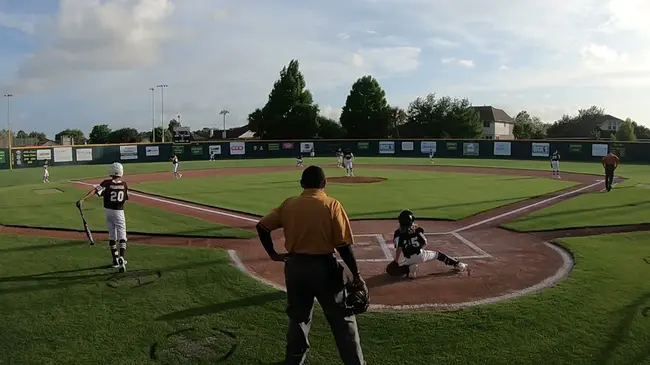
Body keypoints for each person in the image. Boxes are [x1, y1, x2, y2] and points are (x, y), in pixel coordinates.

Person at [256, 165, 367, 365]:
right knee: (343, 319)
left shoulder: (289, 204)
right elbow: (343, 245)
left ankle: (294, 361)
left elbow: (262, 226)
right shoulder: (332, 205)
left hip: (295, 268)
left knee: (298, 319)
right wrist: (356, 274)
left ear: (301, 184)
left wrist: (273, 254)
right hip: (325, 269)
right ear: (324, 184)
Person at [76, 162, 129, 272]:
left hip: (108, 211)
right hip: (119, 211)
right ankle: (122, 257)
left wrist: (83, 199)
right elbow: (125, 198)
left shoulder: (106, 183)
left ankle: (115, 260)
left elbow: (96, 191)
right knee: (122, 234)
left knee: (112, 235)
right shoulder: (124, 184)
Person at [393, 209, 467, 278]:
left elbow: (399, 248)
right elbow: (425, 241)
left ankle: (408, 270)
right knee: (438, 255)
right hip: (421, 255)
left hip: (408, 259)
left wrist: (396, 261)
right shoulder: (417, 229)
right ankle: (458, 264)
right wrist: (420, 249)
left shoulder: (397, 233)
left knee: (393, 270)